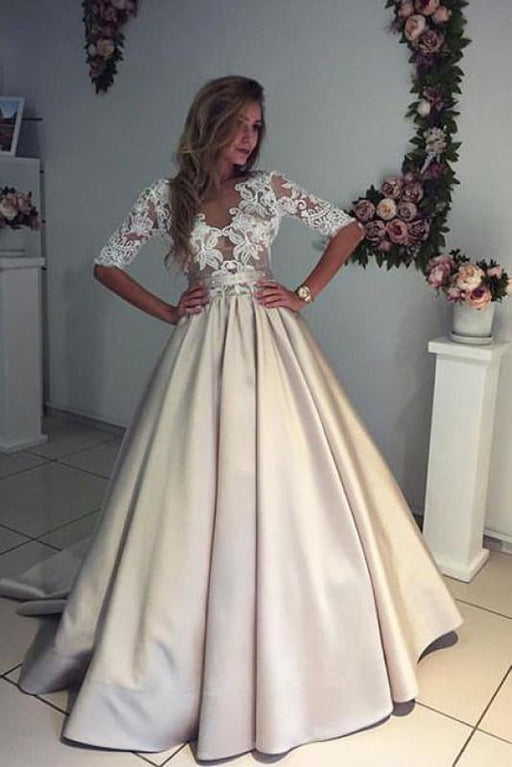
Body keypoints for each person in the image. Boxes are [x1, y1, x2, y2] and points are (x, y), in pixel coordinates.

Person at [0, 76, 462, 761]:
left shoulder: (269, 188)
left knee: (291, 473)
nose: (251, 138)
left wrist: (303, 292)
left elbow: (348, 228)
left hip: (272, 344)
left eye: (256, 127)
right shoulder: (167, 197)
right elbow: (107, 263)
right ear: (210, 124)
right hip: (201, 349)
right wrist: (168, 309)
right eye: (241, 124)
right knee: (185, 483)